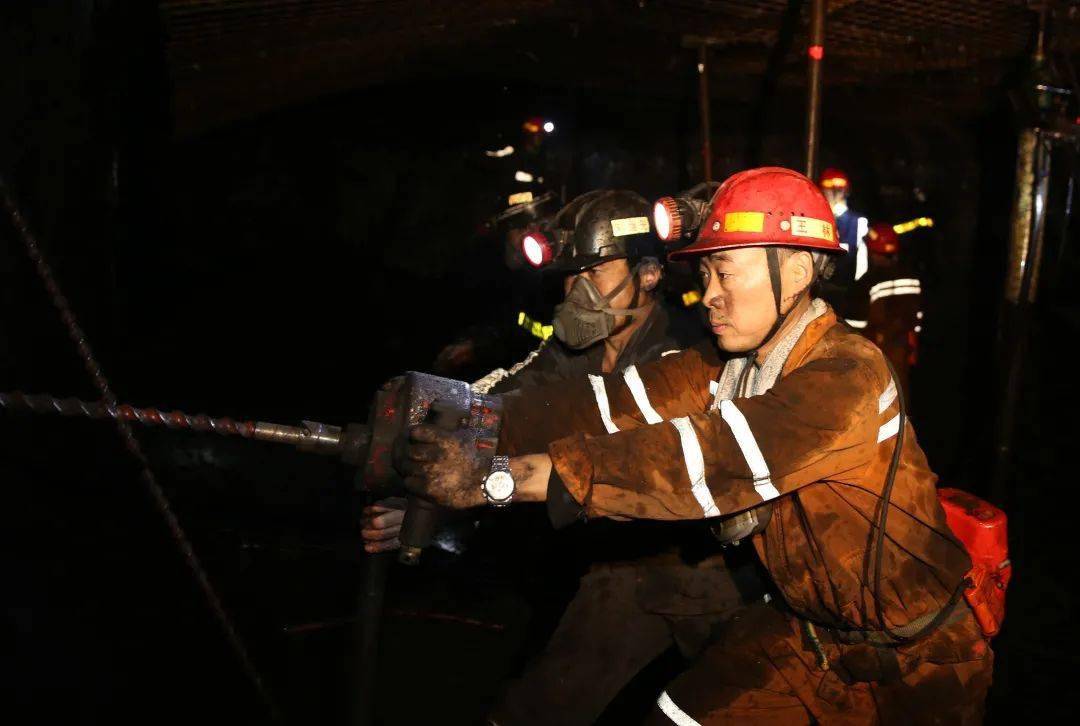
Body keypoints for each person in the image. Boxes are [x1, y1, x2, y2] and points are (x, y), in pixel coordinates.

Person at [399, 167, 992, 724]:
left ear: (798, 269)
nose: (708, 293)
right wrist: (459, 414)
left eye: (726, 270)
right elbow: (607, 404)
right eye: (704, 274)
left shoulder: (846, 379)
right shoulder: (728, 366)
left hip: (921, 664)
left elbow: (704, 460)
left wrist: (496, 478)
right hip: (806, 636)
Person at [365, 189, 761, 725]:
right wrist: (423, 476)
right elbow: (505, 403)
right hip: (630, 570)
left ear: (647, 276)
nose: (577, 293)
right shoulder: (575, 351)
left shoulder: (690, 354)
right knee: (538, 710)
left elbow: (627, 460)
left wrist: (469, 495)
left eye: (594, 274)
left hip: (725, 575)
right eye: (571, 277)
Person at [845, 222, 922, 405]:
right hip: (902, 351)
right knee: (900, 401)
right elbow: (916, 318)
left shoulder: (867, 283)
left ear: (873, 251)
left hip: (873, 354)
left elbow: (855, 326)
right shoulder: (912, 278)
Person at [818, 168, 868, 317]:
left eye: (838, 189)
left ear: (846, 191)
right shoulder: (818, 219)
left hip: (844, 292)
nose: (833, 193)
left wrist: (856, 289)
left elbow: (862, 262)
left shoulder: (858, 222)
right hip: (818, 290)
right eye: (829, 188)